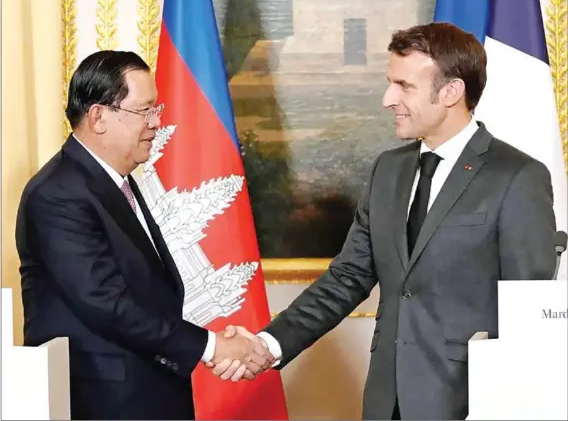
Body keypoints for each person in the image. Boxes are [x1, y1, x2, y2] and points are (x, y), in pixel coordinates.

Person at [208, 22, 558, 420]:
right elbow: (347, 278)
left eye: (404, 86)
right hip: (385, 402)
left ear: (451, 92)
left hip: (470, 405)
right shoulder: (388, 170)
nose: (388, 99)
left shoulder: (516, 176)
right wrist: (267, 345)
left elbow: (529, 312)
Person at [15, 50, 272, 420]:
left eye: (157, 110)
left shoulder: (118, 183)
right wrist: (212, 347)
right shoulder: (58, 194)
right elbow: (107, 303)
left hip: (146, 395)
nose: (156, 124)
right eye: (144, 110)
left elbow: (148, 292)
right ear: (99, 116)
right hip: (100, 403)